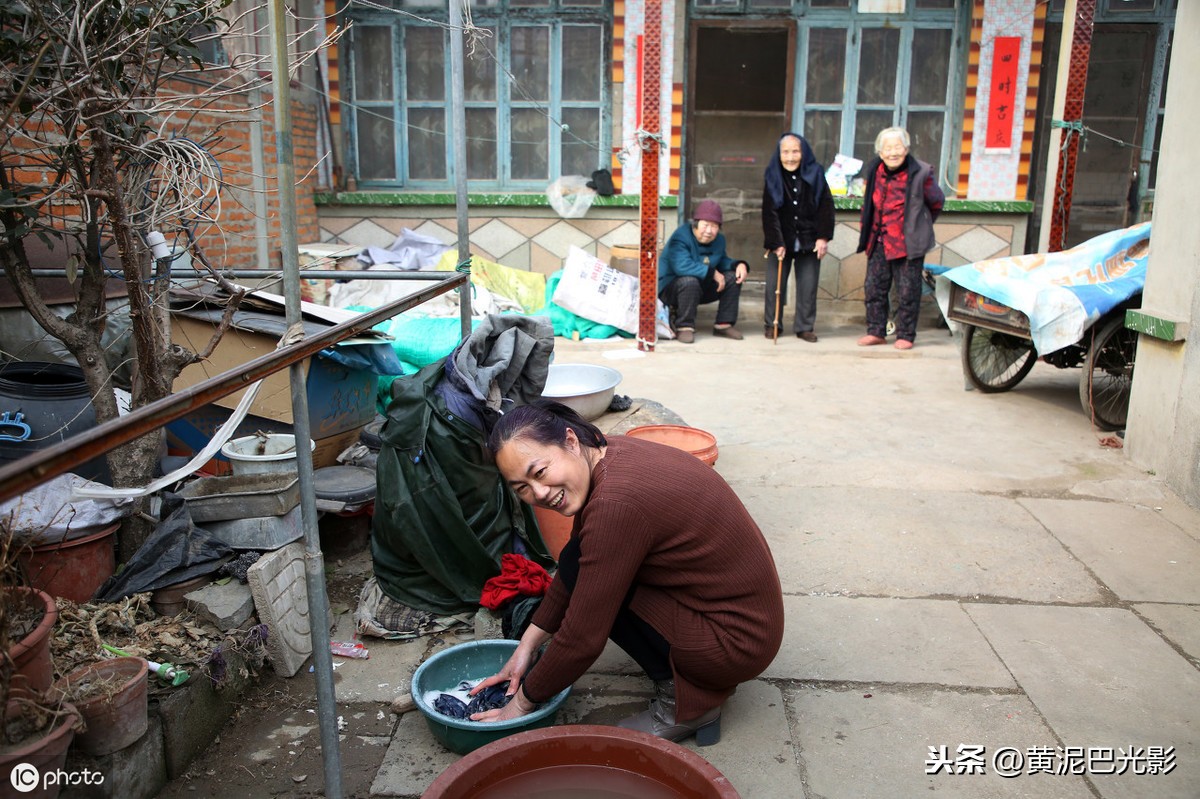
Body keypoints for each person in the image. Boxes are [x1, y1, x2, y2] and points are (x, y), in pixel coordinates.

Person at [468, 401, 785, 745]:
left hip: (736, 643)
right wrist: (525, 648)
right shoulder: (606, 450)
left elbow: (582, 639)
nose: (539, 493)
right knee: (588, 565)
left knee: (602, 596)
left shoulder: (615, 503)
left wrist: (520, 704)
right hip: (744, 621)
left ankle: (688, 706)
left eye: (540, 472)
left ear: (570, 441)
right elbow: (576, 560)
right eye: (522, 488)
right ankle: (690, 679)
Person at [855, 127, 945, 350]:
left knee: (908, 290)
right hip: (878, 238)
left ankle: (906, 334)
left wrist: (919, 225)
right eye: (887, 148)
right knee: (874, 287)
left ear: (906, 149)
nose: (892, 152)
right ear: (880, 152)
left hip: (907, 242)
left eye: (897, 147)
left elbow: (937, 201)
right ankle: (876, 331)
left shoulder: (922, 172)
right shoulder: (874, 169)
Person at [762, 132, 835, 342]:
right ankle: (772, 324)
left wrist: (823, 237)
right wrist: (776, 242)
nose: (790, 157)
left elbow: (826, 206)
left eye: (795, 151)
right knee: (774, 285)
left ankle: (804, 327)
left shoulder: (816, 173)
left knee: (808, 285)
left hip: (809, 238)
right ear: (779, 154)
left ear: (803, 153)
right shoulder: (773, 174)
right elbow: (769, 212)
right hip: (781, 239)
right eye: (785, 152)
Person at [657, 199, 749, 344]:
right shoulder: (681, 236)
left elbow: (722, 260)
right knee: (689, 280)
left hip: (699, 287)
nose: (709, 231)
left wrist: (739, 265)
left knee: (732, 277)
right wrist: (713, 273)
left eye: (714, 226)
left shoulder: (719, 240)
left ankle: (723, 324)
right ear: (695, 223)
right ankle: (684, 326)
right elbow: (681, 266)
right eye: (705, 225)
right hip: (671, 288)